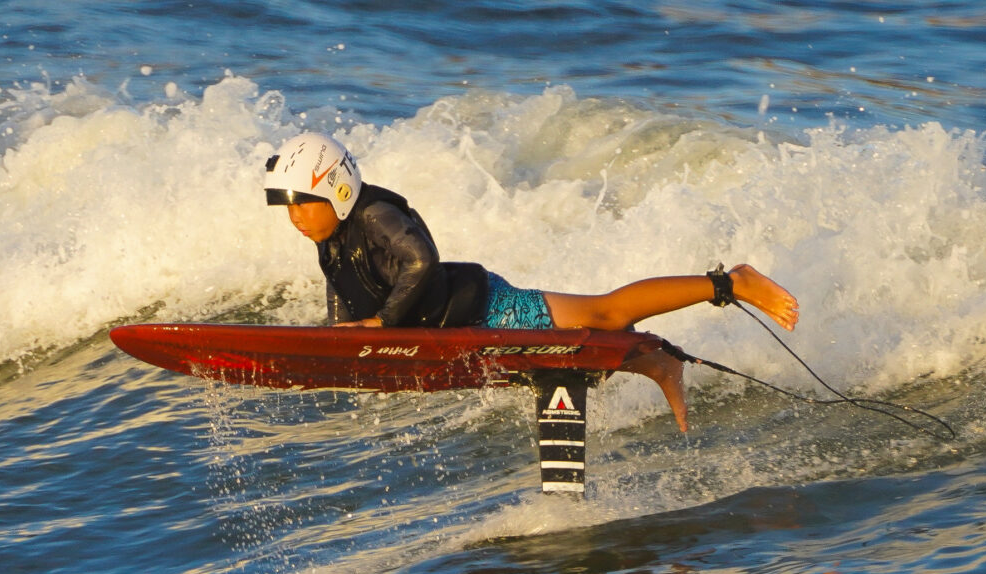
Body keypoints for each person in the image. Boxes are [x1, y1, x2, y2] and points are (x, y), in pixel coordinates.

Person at [263, 130, 800, 430]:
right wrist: (333, 344)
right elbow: (344, 295)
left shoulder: (376, 216)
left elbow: (422, 260)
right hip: (451, 327)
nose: (293, 217)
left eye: (300, 204)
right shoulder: (328, 242)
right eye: (286, 207)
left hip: (486, 310)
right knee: (565, 355)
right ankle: (655, 362)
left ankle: (731, 283)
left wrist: (381, 323)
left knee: (607, 315)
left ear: (335, 189)